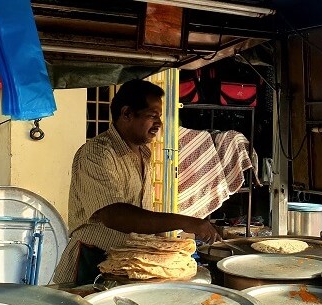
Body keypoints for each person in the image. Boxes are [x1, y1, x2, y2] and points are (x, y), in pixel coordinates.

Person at [52, 79, 220, 285]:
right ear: (126, 113)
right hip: (92, 261)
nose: (158, 123)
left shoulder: (144, 153)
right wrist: (186, 221)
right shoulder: (97, 153)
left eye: (159, 116)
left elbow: (140, 213)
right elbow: (115, 215)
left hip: (129, 264)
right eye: (152, 116)